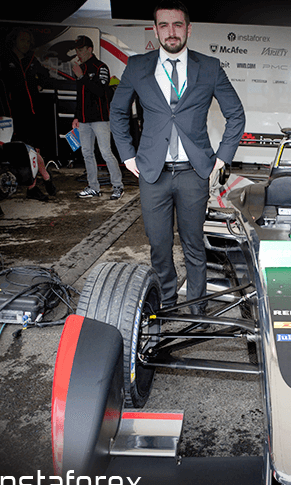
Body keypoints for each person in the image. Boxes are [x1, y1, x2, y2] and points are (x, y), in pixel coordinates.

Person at [110, 0, 245, 311]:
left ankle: (197, 308)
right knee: (159, 246)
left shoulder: (209, 67)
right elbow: (117, 112)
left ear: (188, 28)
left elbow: (236, 114)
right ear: (155, 29)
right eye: (164, 25)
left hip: (194, 173)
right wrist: (127, 155)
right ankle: (166, 303)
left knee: (193, 244)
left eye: (177, 25)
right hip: (152, 173)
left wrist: (221, 158)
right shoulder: (137, 66)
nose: (171, 32)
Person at [0, 27, 56, 201]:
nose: (26, 44)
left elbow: (45, 75)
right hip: (11, 115)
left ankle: (38, 183)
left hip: (32, 113)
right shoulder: (1, 59)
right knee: (23, 152)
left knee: (34, 150)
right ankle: (38, 183)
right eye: (22, 40)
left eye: (28, 41)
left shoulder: (32, 60)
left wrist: (40, 85)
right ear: (13, 40)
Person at [71, 35, 125, 200]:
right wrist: (76, 117)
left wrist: (82, 77)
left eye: (81, 49)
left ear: (90, 49)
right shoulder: (80, 68)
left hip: (100, 119)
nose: (78, 53)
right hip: (84, 120)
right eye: (76, 50)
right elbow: (80, 96)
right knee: (87, 153)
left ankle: (118, 186)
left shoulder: (101, 67)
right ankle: (93, 187)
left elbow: (100, 92)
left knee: (106, 152)